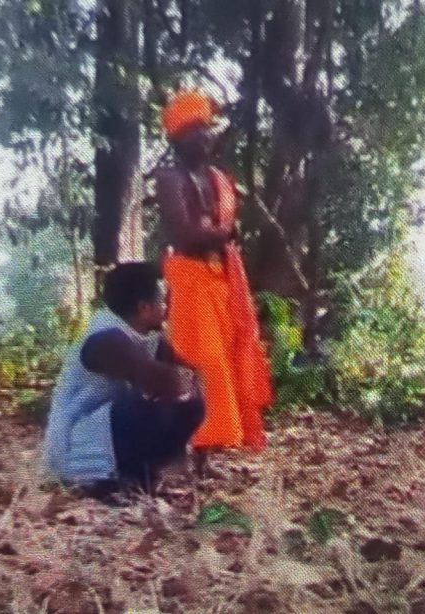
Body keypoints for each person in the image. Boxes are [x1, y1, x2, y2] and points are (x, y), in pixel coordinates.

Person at [152, 90, 274, 477]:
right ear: (177, 138)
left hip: (220, 278)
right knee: (202, 361)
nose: (205, 137)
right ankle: (178, 452)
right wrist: (225, 234)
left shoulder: (218, 179)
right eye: (195, 130)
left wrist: (220, 235)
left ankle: (205, 457)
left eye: (207, 129)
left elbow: (215, 231)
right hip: (189, 278)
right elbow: (185, 234)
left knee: (225, 360)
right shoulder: (168, 179)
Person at [41, 262, 204, 501]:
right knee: (144, 406)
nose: (167, 306)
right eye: (162, 300)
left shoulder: (147, 336)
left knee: (190, 406)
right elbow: (160, 379)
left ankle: (139, 477)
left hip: (107, 431)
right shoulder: (105, 338)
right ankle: (105, 482)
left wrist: (188, 379)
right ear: (144, 308)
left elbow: (189, 379)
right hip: (76, 444)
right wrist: (186, 378)